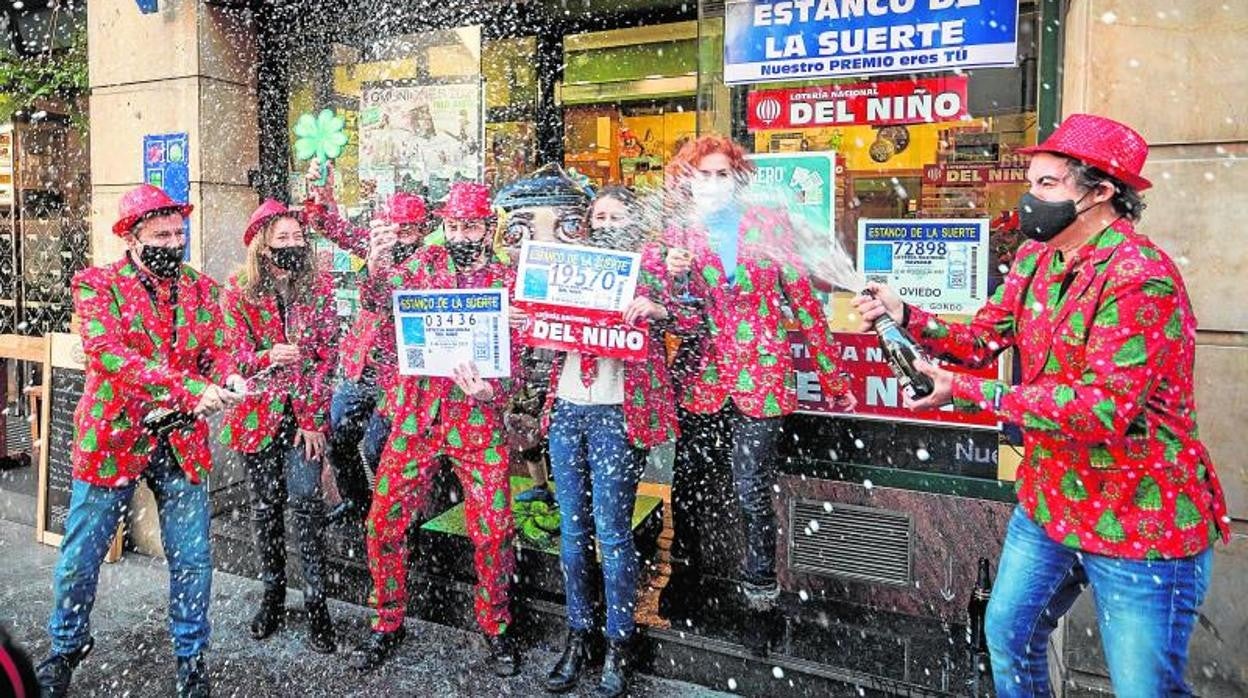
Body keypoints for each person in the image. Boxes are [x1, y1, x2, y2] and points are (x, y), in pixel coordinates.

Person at [853, 114, 1230, 697]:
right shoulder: (1035, 259)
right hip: (1053, 499)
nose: (1031, 199)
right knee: (1009, 636)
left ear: (1101, 192)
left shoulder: (1139, 277)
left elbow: (1100, 408)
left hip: (1139, 515)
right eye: (1033, 182)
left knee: (1143, 687)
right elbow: (982, 339)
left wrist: (967, 391)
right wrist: (908, 316)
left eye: (1049, 185)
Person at [35, 184, 244, 698]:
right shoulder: (95, 286)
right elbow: (111, 357)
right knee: (81, 555)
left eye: (179, 234)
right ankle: (66, 647)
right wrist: (193, 388)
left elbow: (217, 351)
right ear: (131, 238)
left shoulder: (201, 288)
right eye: (161, 235)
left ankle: (191, 658)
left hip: (180, 442)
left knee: (193, 558)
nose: (174, 244)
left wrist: (229, 377)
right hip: (112, 438)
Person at [658, 135, 856, 655]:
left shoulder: (769, 225)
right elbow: (678, 318)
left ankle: (760, 600)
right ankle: (686, 578)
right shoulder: (677, 234)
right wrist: (673, 282)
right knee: (689, 484)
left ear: (738, 179)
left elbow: (804, 303)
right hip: (702, 375)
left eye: (723, 174)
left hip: (762, 376)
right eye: (703, 175)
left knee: (750, 488)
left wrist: (834, 379)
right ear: (688, 181)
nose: (714, 183)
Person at [349, 182, 523, 676]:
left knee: (494, 531)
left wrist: (497, 392)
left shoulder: (507, 279)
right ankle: (387, 621)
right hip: (415, 414)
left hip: (478, 421)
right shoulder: (424, 265)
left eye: (471, 226)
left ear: (490, 227)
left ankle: (496, 626)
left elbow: (524, 358)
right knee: (383, 522)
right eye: (453, 225)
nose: (461, 235)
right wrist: (377, 263)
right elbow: (378, 300)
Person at [533, 186, 693, 697]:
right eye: (597, 216)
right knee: (573, 534)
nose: (604, 223)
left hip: (617, 416)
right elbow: (537, 331)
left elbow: (694, 317)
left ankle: (618, 644)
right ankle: (578, 635)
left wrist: (660, 308)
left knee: (614, 534)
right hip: (566, 411)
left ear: (634, 222)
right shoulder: (566, 267)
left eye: (614, 216)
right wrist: (524, 321)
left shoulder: (653, 268)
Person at [220, 199, 339, 653]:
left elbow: (328, 357)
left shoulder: (319, 287)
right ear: (262, 243)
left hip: (303, 418)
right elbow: (229, 357)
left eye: (298, 237)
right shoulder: (237, 288)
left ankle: (317, 603)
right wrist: (266, 357)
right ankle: (271, 594)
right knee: (265, 507)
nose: (292, 245)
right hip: (258, 417)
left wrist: (313, 419)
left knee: (307, 505)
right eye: (282, 237)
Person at [304, 161, 437, 525]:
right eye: (392, 229)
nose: (399, 237)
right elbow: (327, 225)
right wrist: (320, 188)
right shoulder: (376, 246)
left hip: (403, 373)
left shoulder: (433, 263)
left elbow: (380, 298)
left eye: (407, 231)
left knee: (382, 448)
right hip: (362, 365)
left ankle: (394, 517)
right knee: (338, 438)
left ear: (423, 230)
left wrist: (380, 269)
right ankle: (359, 503)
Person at [494, 163, 597, 507]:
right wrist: (503, 311)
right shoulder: (505, 275)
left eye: (568, 225)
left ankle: (577, 493)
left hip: (571, 353)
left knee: (565, 420)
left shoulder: (590, 269)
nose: (545, 241)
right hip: (527, 349)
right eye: (521, 228)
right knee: (525, 418)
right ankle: (542, 484)